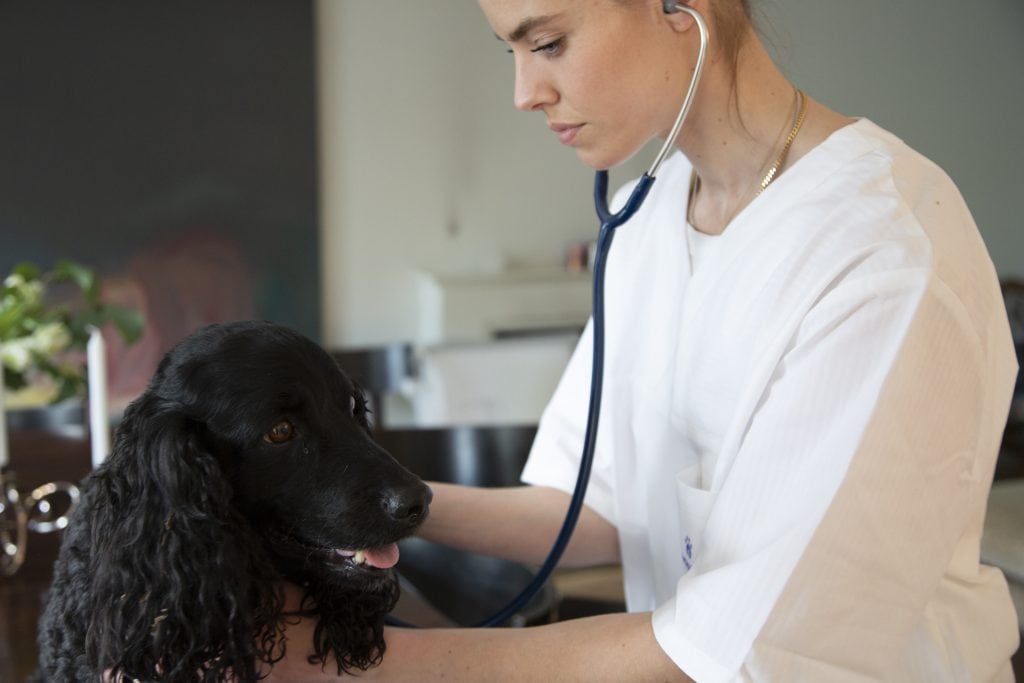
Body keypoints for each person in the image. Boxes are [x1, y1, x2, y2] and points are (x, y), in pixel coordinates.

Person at [267, 0, 1020, 680]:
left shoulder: (880, 251)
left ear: (677, 8)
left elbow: (737, 648)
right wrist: (350, 503)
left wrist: (345, 664)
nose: (525, 93)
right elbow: (594, 512)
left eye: (549, 43)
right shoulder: (647, 219)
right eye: (513, 52)